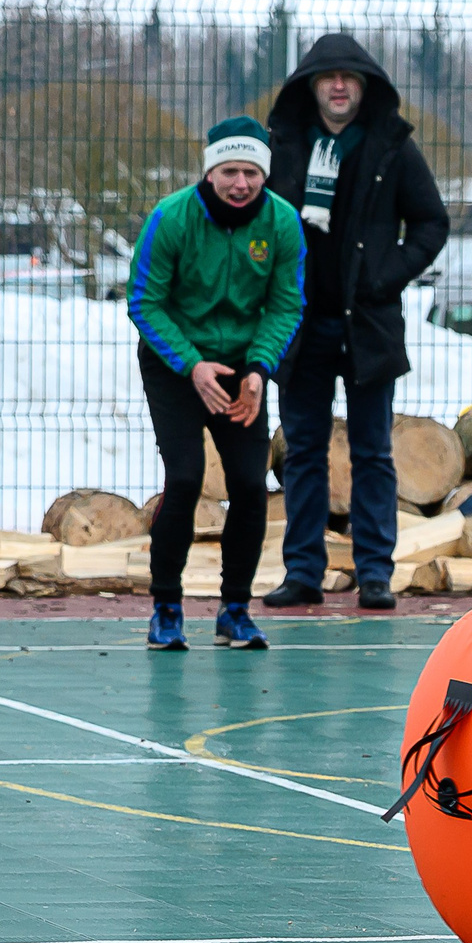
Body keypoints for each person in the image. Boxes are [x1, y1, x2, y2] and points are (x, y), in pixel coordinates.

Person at [260, 34, 449, 611]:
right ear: (310, 86)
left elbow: (430, 223)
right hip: (300, 327)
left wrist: (383, 276)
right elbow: (258, 222)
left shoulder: (391, 147)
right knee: (303, 452)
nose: (338, 86)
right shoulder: (285, 146)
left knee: (371, 452)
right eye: (327, 77)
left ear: (366, 86)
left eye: (349, 77)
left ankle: (374, 573)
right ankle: (302, 572)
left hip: (367, 327)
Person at [128, 117, 305, 650]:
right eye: (229, 170)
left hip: (242, 368)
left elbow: (285, 303)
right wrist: (192, 366)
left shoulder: (282, 222)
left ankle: (234, 609)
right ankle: (167, 607)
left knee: (250, 485)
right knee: (184, 479)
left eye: (251, 172)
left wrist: (259, 368)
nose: (241, 183)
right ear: (210, 172)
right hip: (176, 362)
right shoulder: (172, 217)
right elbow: (144, 301)